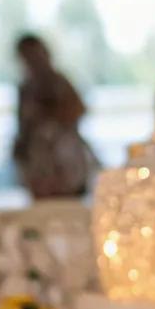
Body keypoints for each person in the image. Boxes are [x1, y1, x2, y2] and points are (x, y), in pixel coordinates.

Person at [12, 34, 92, 199]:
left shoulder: (60, 83)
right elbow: (23, 127)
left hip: (65, 161)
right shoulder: (25, 89)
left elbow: (78, 111)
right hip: (40, 164)